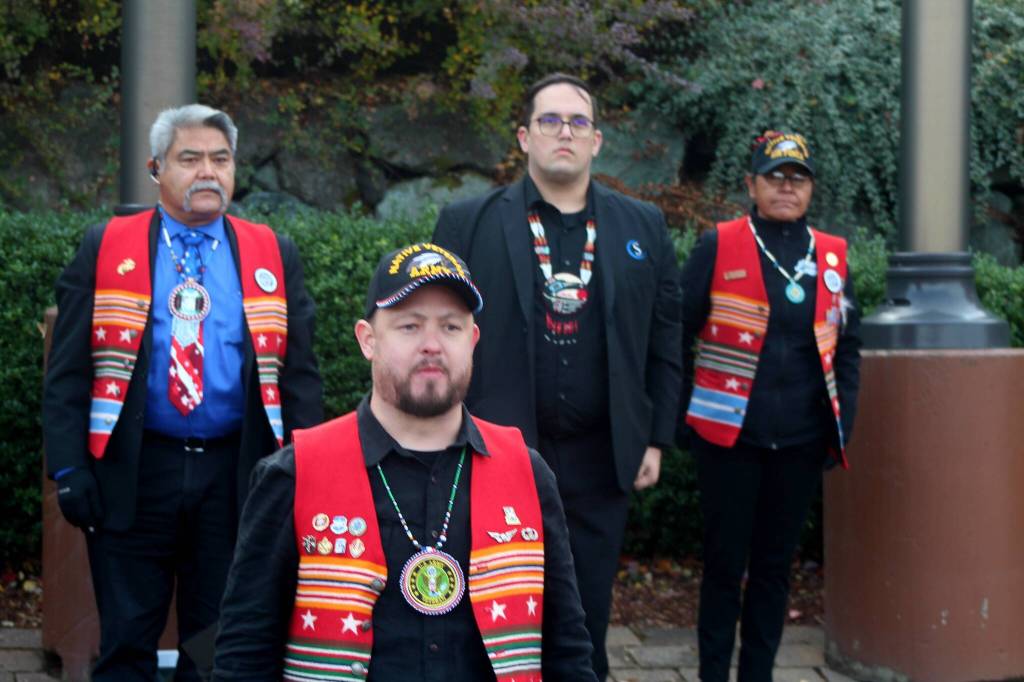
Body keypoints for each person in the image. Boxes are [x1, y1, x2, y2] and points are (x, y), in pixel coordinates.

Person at [211, 242, 598, 681]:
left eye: (450, 328)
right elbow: (244, 655)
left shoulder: (527, 472)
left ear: (472, 341)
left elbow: (568, 649)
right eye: (409, 326)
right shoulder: (293, 474)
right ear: (368, 340)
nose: (432, 345)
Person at [42, 103, 323, 681]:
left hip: (236, 475)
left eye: (220, 159)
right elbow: (68, 371)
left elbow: (298, 378)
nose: (208, 172)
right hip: (135, 472)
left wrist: (303, 470)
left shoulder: (273, 252)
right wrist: (69, 469)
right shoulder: (106, 246)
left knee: (216, 642)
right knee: (126, 640)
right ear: (155, 168)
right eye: (189, 158)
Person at [432, 72, 683, 680]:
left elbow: (664, 339)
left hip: (603, 458)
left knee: (584, 620)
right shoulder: (468, 223)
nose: (563, 133)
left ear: (597, 140)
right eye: (549, 121)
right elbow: (436, 330)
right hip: (500, 453)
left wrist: (656, 437)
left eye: (577, 122)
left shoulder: (642, 227)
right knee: (495, 613)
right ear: (524, 137)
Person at [679, 130, 861, 681]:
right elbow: (676, 333)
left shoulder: (831, 254)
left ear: (810, 190)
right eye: (775, 176)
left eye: (797, 178)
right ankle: (713, 674)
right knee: (723, 567)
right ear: (751, 184)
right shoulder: (720, 242)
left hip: (801, 443)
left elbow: (848, 346)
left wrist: (841, 424)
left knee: (775, 572)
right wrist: (684, 419)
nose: (787, 187)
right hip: (729, 441)